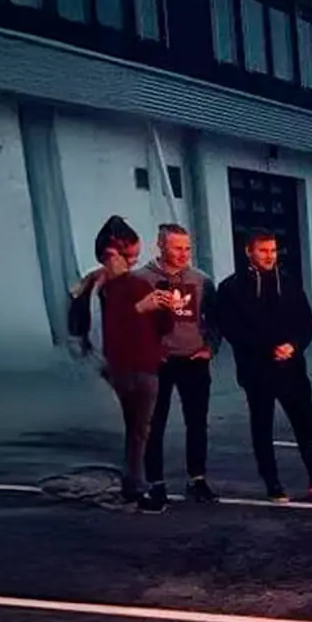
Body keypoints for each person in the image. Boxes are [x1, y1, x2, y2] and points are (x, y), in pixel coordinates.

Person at [215, 230, 312, 502]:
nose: (269, 256)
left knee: (305, 421)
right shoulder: (231, 288)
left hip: (292, 366)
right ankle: (272, 483)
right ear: (248, 252)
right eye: (263, 251)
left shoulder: (287, 282)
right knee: (262, 425)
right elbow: (232, 329)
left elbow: (306, 322)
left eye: (273, 251)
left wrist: (294, 345)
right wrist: (268, 348)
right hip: (257, 369)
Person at [72, 216, 171, 512]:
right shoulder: (104, 286)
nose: (131, 262)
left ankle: (136, 482)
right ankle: (137, 484)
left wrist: (161, 308)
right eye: (129, 256)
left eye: (134, 257)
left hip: (125, 364)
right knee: (138, 427)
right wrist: (143, 310)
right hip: (125, 365)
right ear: (111, 253)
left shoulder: (105, 284)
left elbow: (161, 325)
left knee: (138, 427)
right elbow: (104, 328)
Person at [134, 224, 218, 508]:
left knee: (197, 423)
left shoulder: (201, 280)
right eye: (177, 248)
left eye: (187, 248)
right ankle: (155, 484)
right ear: (160, 246)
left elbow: (215, 319)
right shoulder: (140, 279)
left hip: (193, 361)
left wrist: (210, 348)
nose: (184, 254)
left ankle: (198, 479)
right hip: (157, 364)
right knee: (153, 425)